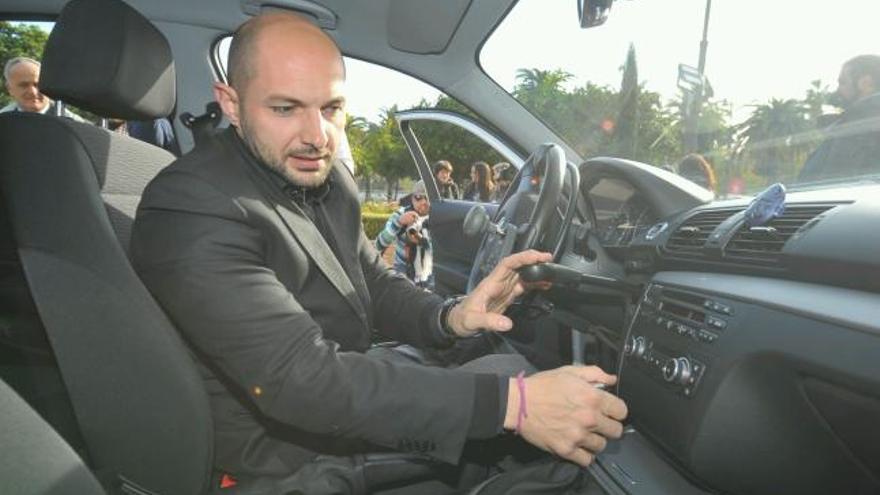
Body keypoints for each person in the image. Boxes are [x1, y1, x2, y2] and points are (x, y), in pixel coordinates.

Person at [131, 12, 626, 490]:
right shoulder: (192, 205)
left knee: (506, 369)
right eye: (284, 108)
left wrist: (451, 317)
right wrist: (514, 406)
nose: (316, 136)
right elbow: (301, 381)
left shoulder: (324, 179)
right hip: (284, 463)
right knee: (541, 441)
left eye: (331, 108)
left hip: (338, 400)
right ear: (232, 104)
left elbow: (371, 282)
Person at [799, 54, 880, 182]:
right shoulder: (857, 122)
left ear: (867, 84)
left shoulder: (859, 128)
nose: (838, 90)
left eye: (843, 83)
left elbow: (828, 185)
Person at [375, 180, 434, 289]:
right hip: (403, 274)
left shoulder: (438, 216)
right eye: (418, 197)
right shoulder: (400, 214)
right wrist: (399, 222)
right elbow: (379, 244)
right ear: (412, 198)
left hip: (431, 277)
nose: (423, 202)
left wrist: (423, 242)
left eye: (427, 197)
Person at [1, 57, 84, 121]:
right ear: (10, 89)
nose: (33, 92)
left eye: (37, 84)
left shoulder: (74, 124)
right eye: (24, 85)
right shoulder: (3, 123)